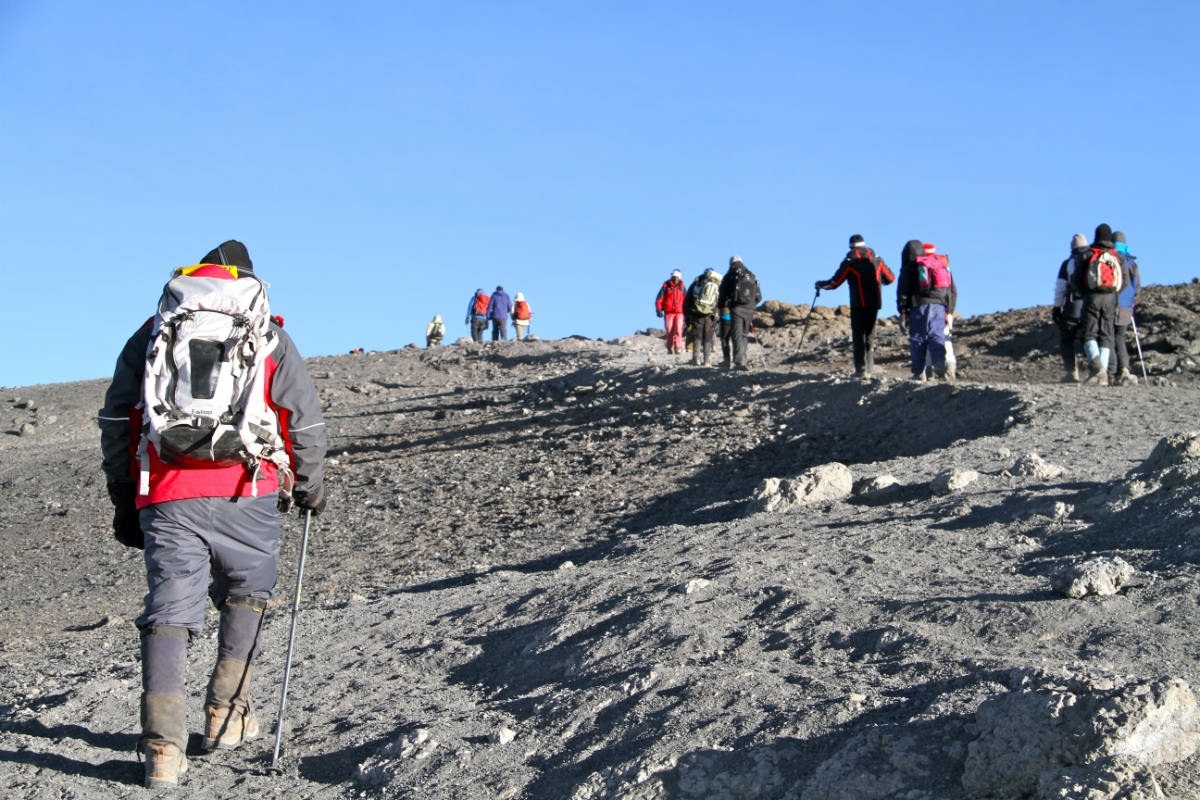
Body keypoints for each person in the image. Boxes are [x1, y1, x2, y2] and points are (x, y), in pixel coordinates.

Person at [97, 240, 327, 789]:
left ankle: (162, 751)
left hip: (168, 490)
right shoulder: (267, 332)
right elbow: (303, 418)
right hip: (248, 489)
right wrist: (310, 487)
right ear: (246, 280)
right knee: (247, 591)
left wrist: (124, 495)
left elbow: (117, 417)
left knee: (169, 611)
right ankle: (226, 717)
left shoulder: (155, 330)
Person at [815, 234, 895, 379]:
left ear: (851, 246)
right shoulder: (877, 260)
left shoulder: (850, 262)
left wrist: (820, 284)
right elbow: (891, 278)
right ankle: (869, 369)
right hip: (875, 302)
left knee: (858, 335)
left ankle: (861, 369)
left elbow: (834, 283)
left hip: (858, 303)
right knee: (870, 334)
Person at [1072, 223, 1130, 385]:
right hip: (1111, 298)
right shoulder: (1117, 256)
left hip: (1092, 297)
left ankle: (1097, 369)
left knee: (1089, 333)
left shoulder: (1088, 254)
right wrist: (1114, 292)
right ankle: (1102, 374)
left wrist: (1085, 293)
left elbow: (1077, 279)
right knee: (1106, 335)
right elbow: (1124, 280)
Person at [897, 241, 957, 381]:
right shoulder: (942, 264)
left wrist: (903, 312)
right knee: (937, 336)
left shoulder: (911, 266)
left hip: (919, 306)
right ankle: (940, 366)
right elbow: (952, 291)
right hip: (940, 307)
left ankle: (919, 373)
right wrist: (949, 311)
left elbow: (903, 292)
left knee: (918, 339)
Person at [1053, 234, 1088, 382]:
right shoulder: (1094, 259)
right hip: (1091, 304)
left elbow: (1060, 287)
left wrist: (1057, 307)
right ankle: (1097, 370)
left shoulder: (1068, 263)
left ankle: (1072, 372)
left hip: (1073, 305)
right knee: (1090, 337)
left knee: (1068, 338)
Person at [717, 255, 762, 370]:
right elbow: (759, 296)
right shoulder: (751, 274)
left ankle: (739, 362)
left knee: (736, 333)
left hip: (736, 307)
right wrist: (751, 305)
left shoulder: (731, 274)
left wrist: (721, 306)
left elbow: (722, 292)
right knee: (744, 334)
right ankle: (743, 359)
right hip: (750, 308)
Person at [1110, 230, 1142, 385]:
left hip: (1110, 304)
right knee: (1120, 337)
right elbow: (1137, 288)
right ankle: (1124, 369)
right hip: (1126, 307)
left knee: (1109, 337)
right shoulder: (1132, 263)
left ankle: (1114, 371)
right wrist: (1132, 302)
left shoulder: (1108, 259)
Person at [685, 268, 722, 366]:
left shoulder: (697, 283)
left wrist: (688, 315)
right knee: (708, 336)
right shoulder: (716, 285)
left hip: (697, 313)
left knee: (697, 335)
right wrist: (717, 316)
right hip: (711, 314)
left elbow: (688, 299)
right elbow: (719, 302)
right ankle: (707, 360)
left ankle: (696, 359)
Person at [655, 269, 687, 354]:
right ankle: (670, 347)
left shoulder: (682, 287)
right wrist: (658, 309)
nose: (675, 278)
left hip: (680, 312)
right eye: (673, 276)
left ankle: (678, 347)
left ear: (679, 277)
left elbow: (686, 300)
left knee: (678, 330)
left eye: (676, 276)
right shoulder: (666, 286)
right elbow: (659, 299)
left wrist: (687, 311)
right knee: (669, 330)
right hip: (669, 312)